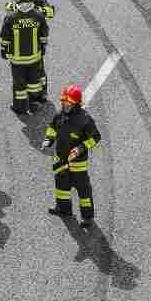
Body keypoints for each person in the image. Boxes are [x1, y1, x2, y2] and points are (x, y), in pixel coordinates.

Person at [44, 85, 101, 229]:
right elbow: (52, 128)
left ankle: (87, 218)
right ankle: (64, 210)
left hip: (78, 165)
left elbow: (95, 137)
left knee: (84, 192)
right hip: (61, 161)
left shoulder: (85, 120)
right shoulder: (60, 115)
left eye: (68, 102)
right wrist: (48, 140)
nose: (64, 104)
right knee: (61, 188)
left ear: (76, 104)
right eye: (63, 101)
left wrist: (80, 148)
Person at [0, 0, 49, 114]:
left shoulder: (11, 17)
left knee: (19, 84)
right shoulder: (38, 15)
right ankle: (35, 103)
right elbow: (44, 34)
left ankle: (20, 107)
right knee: (34, 82)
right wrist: (43, 47)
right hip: (34, 57)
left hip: (17, 60)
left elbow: (4, 36)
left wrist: (3, 50)